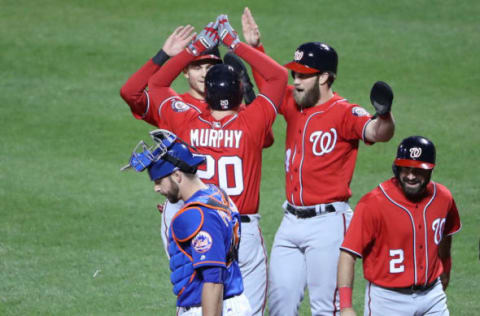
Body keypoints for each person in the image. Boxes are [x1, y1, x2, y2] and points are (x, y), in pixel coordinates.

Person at [241, 7, 396, 315]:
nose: (295, 81)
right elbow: (267, 82)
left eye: (303, 75)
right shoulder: (292, 100)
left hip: (328, 224)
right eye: (294, 74)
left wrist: (385, 114)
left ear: (324, 77)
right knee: (280, 305)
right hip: (290, 222)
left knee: (327, 309)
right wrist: (255, 47)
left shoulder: (344, 112)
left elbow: (378, 132)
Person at [144, 16, 288, 316]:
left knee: (197, 304)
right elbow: (277, 77)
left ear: (206, 95)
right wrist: (235, 43)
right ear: (240, 92)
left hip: (201, 224)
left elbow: (155, 83)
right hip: (242, 231)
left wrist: (198, 45)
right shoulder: (253, 122)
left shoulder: (187, 121)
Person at [120, 24, 274, 258]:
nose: (203, 73)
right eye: (197, 66)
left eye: (210, 66)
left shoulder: (231, 108)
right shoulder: (172, 105)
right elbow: (130, 92)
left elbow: (265, 140)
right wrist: (164, 56)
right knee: (192, 283)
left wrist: (248, 101)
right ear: (184, 71)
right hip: (185, 206)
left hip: (229, 210)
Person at [121, 129, 252, 315]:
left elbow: (213, 280)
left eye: (159, 181)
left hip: (212, 307)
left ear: (177, 175)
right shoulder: (217, 194)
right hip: (231, 302)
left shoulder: (196, 215)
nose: (156, 188)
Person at [337, 136, 461, 316]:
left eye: (418, 170)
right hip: (388, 300)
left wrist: (446, 269)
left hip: (432, 296)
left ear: (430, 170)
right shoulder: (373, 203)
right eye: (405, 169)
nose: (410, 176)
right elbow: (348, 254)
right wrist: (346, 306)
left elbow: (445, 233)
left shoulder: (443, 198)